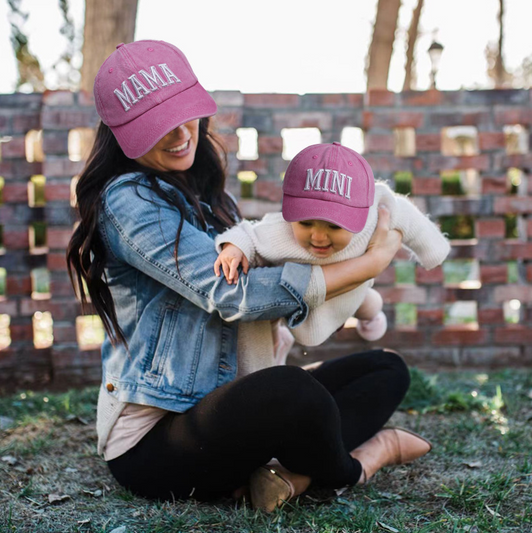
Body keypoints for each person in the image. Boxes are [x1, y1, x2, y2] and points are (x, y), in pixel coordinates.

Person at [66, 39, 431, 512]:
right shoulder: (126, 201)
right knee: (291, 393)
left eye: (185, 114)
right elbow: (229, 294)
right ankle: (360, 462)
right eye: (157, 127)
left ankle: (287, 473)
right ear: (123, 133)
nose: (180, 134)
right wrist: (370, 264)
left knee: (385, 368)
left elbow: (272, 264)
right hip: (156, 442)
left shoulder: (207, 196)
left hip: (231, 405)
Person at [214, 143, 450, 371]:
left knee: (370, 304)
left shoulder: (375, 215)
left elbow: (407, 215)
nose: (318, 237)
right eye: (306, 223)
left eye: (334, 227)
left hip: (354, 290)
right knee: (283, 325)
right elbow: (249, 233)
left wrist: (433, 250)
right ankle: (280, 341)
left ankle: (371, 320)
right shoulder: (280, 232)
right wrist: (235, 247)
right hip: (308, 302)